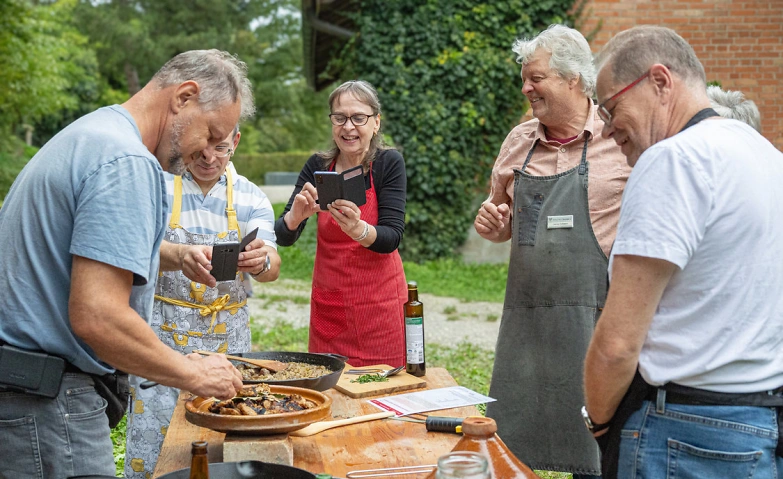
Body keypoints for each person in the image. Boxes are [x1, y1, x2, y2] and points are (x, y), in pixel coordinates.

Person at [0, 49, 254, 478]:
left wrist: (174, 255)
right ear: (184, 97)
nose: (206, 153)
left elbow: (91, 245)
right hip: (51, 406)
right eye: (211, 134)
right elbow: (98, 316)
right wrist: (192, 373)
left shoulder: (94, 134)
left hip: (26, 396)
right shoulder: (128, 163)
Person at [584, 25, 783, 479]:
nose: (608, 128)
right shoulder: (769, 157)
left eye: (611, 107)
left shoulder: (674, 159)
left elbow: (616, 345)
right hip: (762, 425)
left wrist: (597, 422)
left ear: (659, 81)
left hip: (683, 432)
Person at [474, 24, 631, 478]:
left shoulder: (618, 136)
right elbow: (501, 220)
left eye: (536, 78)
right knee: (517, 452)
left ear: (573, 79)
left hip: (595, 318)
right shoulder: (518, 142)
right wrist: (494, 225)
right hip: (529, 326)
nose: (526, 88)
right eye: (525, 78)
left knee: (597, 452)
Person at [124, 124, 280, 478]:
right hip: (163, 339)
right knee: (158, 442)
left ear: (236, 142)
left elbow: (272, 264)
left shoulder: (251, 197)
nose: (210, 158)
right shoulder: (159, 187)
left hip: (228, 344)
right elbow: (134, 249)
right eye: (200, 150)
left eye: (221, 149)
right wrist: (179, 255)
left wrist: (263, 261)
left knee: (222, 437)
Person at [274, 80, 407, 367]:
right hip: (331, 307)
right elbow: (283, 236)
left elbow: (392, 237)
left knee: (385, 389)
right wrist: (296, 216)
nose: (349, 127)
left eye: (359, 118)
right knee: (330, 388)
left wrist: (359, 230)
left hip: (380, 307)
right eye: (340, 118)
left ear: (376, 122)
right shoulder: (318, 166)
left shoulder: (388, 163)